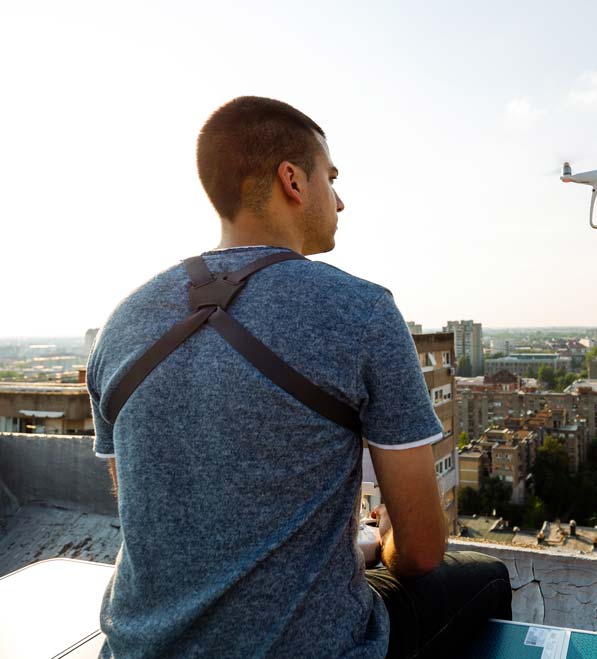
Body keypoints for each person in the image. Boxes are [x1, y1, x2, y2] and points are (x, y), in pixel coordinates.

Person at [86, 96, 511, 658]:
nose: (339, 199)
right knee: (484, 575)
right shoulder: (361, 311)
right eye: (330, 178)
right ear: (292, 180)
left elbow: (139, 502)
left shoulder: (123, 321)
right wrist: (378, 542)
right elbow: (423, 550)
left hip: (137, 648)